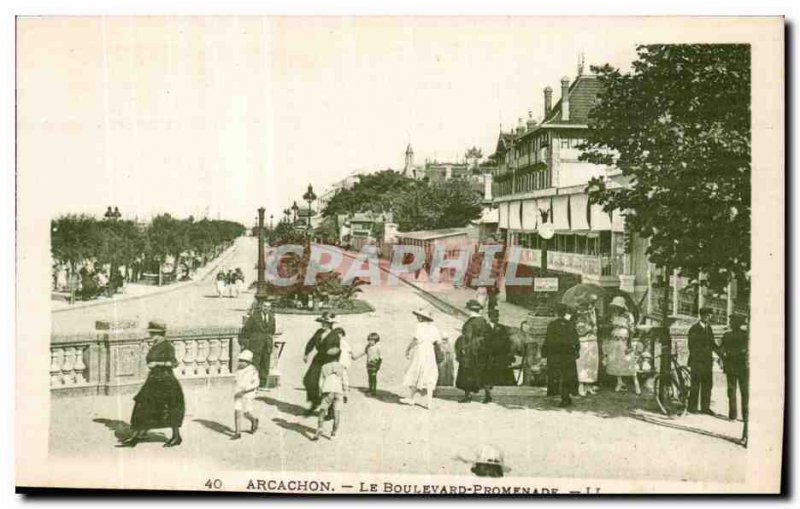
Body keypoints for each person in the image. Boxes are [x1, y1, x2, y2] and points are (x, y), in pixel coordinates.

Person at [120, 320, 185, 447]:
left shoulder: (167, 346)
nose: (150, 336)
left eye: (152, 334)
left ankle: (176, 437)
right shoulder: (155, 345)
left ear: (160, 334)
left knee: (170, 408)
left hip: (166, 380)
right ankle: (137, 436)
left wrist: (158, 364)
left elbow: (174, 363)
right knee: (143, 405)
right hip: (154, 380)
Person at [401, 308, 441, 409]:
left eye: (418, 316)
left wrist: (408, 349)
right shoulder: (434, 328)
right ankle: (429, 402)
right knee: (428, 374)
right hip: (430, 352)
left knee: (416, 372)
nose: (417, 318)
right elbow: (438, 342)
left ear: (422, 317)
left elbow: (415, 339)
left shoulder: (419, 326)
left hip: (421, 351)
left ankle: (411, 398)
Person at [541, 304, 580, 407]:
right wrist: (577, 351)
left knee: (557, 375)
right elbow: (576, 339)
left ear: (557, 313)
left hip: (555, 354)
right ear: (565, 312)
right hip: (568, 354)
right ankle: (566, 396)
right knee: (567, 376)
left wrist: (544, 352)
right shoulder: (570, 324)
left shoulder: (552, 325)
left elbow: (548, 339)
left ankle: (563, 397)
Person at [303, 313, 341, 413]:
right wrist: (306, 353)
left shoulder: (335, 335)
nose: (324, 324)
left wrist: (334, 359)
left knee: (328, 385)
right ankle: (315, 402)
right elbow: (311, 342)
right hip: (319, 358)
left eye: (326, 323)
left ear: (331, 324)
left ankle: (331, 410)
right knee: (309, 380)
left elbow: (338, 350)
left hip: (330, 360)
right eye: (323, 322)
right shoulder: (319, 332)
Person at [602, 296, 640, 394]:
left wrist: (629, 343)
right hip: (614, 340)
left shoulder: (628, 315)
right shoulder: (613, 315)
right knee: (616, 361)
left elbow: (631, 330)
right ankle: (620, 382)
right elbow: (610, 326)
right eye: (615, 306)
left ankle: (636, 384)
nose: (616, 308)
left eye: (618, 306)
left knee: (628, 361)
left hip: (625, 340)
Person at [688, 307, 722, 415]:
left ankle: (705, 408)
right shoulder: (694, 328)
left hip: (707, 362)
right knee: (695, 385)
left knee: (707, 384)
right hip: (697, 362)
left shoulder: (709, 328)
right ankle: (692, 408)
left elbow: (712, 344)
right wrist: (700, 358)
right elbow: (692, 347)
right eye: (707, 315)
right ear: (701, 316)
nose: (709, 317)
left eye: (710, 315)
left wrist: (722, 355)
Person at [455, 299, 491, 403]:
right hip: (482, 349)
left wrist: (462, 349)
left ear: (470, 310)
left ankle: (468, 396)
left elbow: (467, 337)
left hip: (471, 350)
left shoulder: (470, 322)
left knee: (467, 372)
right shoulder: (483, 321)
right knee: (482, 372)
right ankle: (488, 395)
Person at [238, 299, 276, 390]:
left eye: (268, 307)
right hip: (255, 345)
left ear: (270, 308)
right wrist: (246, 343)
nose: (266, 308)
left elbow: (272, 331)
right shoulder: (254, 317)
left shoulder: (272, 318)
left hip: (266, 345)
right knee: (255, 365)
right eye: (265, 306)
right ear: (262, 307)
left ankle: (263, 384)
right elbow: (246, 330)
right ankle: (253, 384)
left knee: (265, 365)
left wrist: (269, 340)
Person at [721, 315, 749, 423]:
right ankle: (745, 416)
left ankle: (732, 416)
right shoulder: (746, 335)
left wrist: (724, 359)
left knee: (732, 391)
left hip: (731, 366)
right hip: (743, 367)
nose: (730, 324)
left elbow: (721, 350)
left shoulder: (727, 335)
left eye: (731, 322)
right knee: (745, 391)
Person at [481, 315, 516, 402]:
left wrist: (508, 352)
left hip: (501, 355)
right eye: (494, 317)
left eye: (497, 317)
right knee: (489, 372)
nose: (496, 319)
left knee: (502, 372)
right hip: (489, 355)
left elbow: (507, 340)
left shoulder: (502, 327)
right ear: (490, 317)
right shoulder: (485, 328)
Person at [312, 353, 345, 441]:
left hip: (327, 391)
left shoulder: (324, 367)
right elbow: (345, 381)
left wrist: (320, 392)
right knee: (337, 413)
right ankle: (333, 434)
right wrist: (345, 393)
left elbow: (321, 381)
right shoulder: (342, 367)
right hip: (338, 392)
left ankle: (320, 428)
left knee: (322, 410)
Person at [231, 350, 260, 440]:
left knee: (246, 413)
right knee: (237, 412)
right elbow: (236, 381)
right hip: (238, 393)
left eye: (242, 361)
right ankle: (237, 432)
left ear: (248, 362)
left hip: (248, 394)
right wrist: (236, 391)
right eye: (240, 360)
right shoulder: (238, 370)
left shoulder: (253, 371)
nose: (240, 362)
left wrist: (243, 392)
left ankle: (253, 420)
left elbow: (255, 384)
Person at [574, 296, 600, 396]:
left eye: (586, 305)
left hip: (592, 341)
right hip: (582, 342)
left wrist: (593, 321)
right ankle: (581, 384)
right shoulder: (577, 317)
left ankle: (589, 384)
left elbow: (595, 328)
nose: (584, 308)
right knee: (582, 363)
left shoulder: (592, 315)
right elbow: (579, 330)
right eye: (582, 305)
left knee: (591, 363)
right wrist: (588, 329)